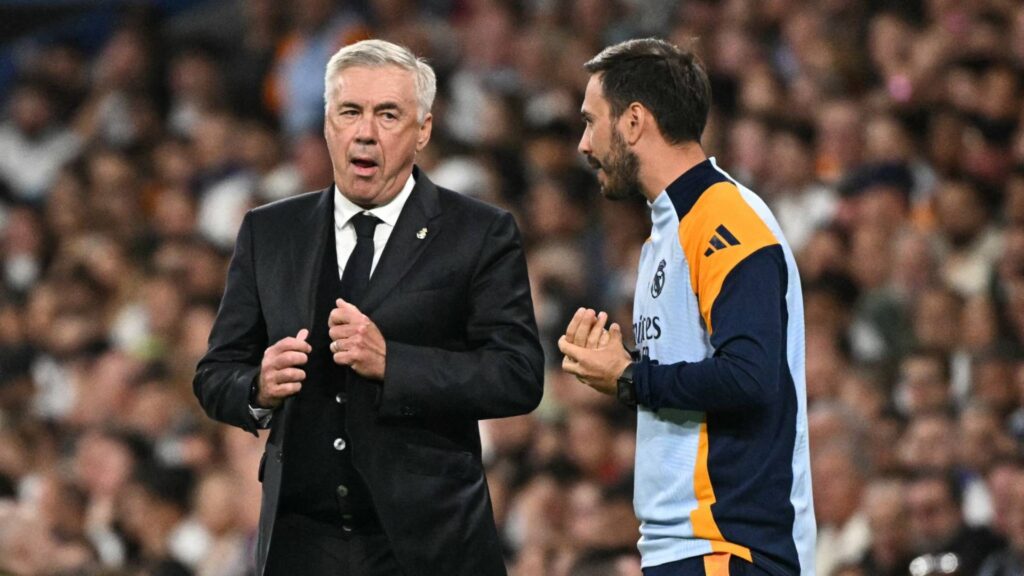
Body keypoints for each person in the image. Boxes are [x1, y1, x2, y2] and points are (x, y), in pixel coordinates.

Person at [194, 39, 544, 576]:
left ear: (423, 130)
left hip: (427, 544)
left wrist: (394, 363)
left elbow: (518, 375)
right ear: (329, 124)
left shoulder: (479, 232)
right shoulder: (269, 231)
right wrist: (257, 388)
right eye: (350, 112)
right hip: (301, 542)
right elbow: (215, 374)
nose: (365, 131)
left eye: (388, 115)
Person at [558, 38, 816, 575]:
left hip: (729, 547)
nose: (583, 145)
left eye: (590, 122)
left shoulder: (724, 219)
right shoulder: (665, 234)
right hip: (683, 546)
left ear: (633, 121)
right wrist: (620, 367)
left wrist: (630, 376)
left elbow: (750, 376)